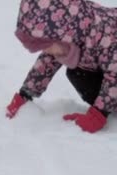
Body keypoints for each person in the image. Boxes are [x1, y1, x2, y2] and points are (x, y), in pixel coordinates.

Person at [6, 0, 117, 133]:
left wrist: (99, 114)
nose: (46, 52)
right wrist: (24, 94)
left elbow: (114, 75)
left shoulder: (104, 36)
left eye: (47, 47)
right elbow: (45, 64)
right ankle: (109, 105)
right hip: (105, 65)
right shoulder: (69, 32)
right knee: (76, 73)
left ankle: (107, 107)